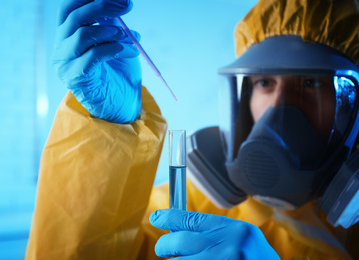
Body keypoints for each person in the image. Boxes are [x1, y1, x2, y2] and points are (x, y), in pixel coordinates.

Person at [25, 0, 359, 259]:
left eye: (311, 83)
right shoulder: (190, 209)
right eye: (265, 82)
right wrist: (109, 130)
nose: (278, 108)